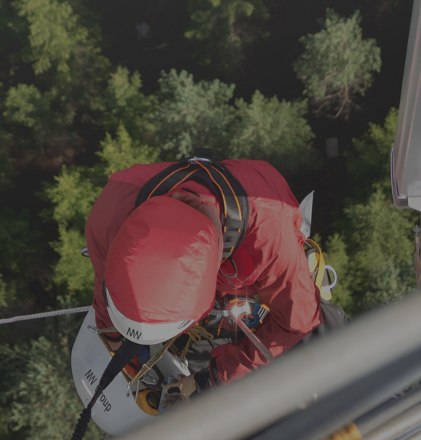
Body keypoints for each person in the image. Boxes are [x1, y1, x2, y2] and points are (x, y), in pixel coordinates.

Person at [84, 152, 324, 405]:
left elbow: (298, 323)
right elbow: (105, 279)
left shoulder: (271, 243)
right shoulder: (113, 209)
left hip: (259, 235)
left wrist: (214, 379)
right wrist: (110, 336)